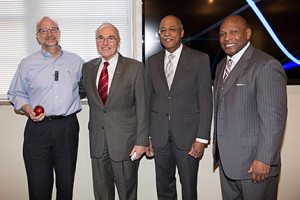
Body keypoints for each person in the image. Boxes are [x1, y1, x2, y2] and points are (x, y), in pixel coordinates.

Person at [7, 17, 84, 200]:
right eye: (44, 30)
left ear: (59, 33)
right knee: (38, 186)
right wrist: (28, 109)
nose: (49, 34)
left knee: (66, 185)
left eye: (53, 29)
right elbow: (15, 93)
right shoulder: (27, 63)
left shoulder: (77, 62)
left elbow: (86, 89)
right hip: (38, 129)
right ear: (37, 36)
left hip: (67, 127)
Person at [213, 15, 287, 199]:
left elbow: (273, 118)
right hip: (228, 163)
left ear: (247, 34)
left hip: (254, 165)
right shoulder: (222, 65)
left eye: (233, 32)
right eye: (222, 34)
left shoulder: (266, 65)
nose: (227, 38)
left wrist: (264, 159)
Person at [79, 22, 149, 200]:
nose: (105, 42)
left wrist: (142, 141)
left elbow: (143, 105)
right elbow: (76, 93)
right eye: (100, 38)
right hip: (98, 143)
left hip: (125, 144)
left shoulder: (135, 68)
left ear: (118, 42)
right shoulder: (88, 68)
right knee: (101, 194)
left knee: (127, 194)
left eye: (110, 38)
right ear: (96, 41)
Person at [146, 15, 213, 200]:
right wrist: (148, 136)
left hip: (189, 137)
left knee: (189, 188)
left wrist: (202, 138)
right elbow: (149, 99)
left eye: (172, 29)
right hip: (159, 136)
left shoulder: (199, 59)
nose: (167, 34)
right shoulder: (152, 61)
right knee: (164, 187)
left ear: (181, 33)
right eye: (162, 30)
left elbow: (206, 101)